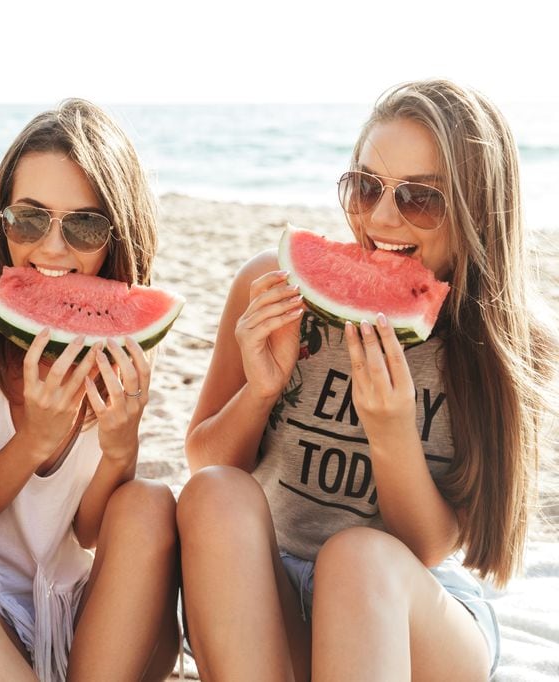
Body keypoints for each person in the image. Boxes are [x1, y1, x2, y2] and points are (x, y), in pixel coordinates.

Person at [179, 79, 557, 680]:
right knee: (213, 495)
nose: (381, 217)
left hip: (409, 616)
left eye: (420, 198)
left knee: (354, 557)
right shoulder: (273, 289)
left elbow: (431, 548)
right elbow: (206, 460)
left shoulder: (502, 347)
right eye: (365, 187)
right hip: (272, 597)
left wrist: (390, 431)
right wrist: (261, 390)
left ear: (475, 212)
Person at [0, 99, 180, 681]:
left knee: (149, 503)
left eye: (83, 225)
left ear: (117, 234)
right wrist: (33, 443)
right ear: (1, 220)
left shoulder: (122, 335)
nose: (52, 249)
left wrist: (121, 448)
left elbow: (89, 531)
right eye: (30, 219)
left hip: (78, 617)